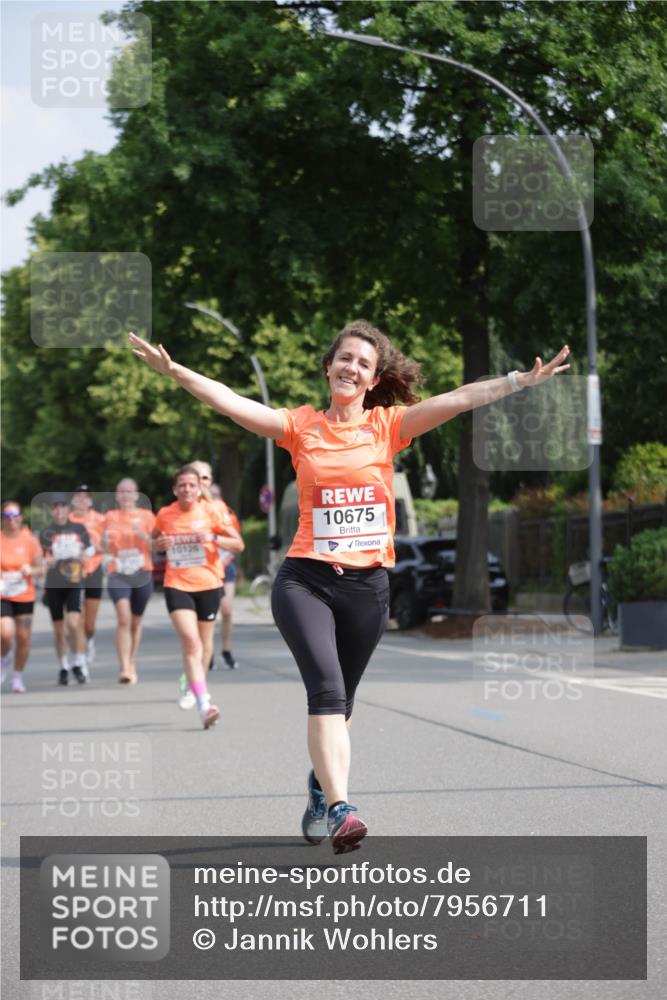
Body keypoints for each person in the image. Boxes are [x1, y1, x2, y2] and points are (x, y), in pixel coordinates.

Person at [130, 322, 570, 852]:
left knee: (343, 706)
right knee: (327, 693)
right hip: (305, 580)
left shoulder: (388, 426)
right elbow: (230, 401)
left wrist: (519, 381)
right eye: (344, 358)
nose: (351, 367)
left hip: (367, 588)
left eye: (363, 363)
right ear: (329, 366)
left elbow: (457, 399)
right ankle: (342, 809)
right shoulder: (299, 426)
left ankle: (320, 789)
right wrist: (174, 370)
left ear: (373, 377)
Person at [152, 464, 244, 728]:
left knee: (204, 645)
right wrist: (158, 545)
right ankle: (205, 704)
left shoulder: (213, 511)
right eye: (182, 485)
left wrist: (214, 538)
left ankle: (196, 687)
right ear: (175, 489)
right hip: (177, 584)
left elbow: (238, 544)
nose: (187, 489)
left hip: (208, 583)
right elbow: (150, 542)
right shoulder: (165, 514)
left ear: (199, 487)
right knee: (191, 641)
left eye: (192, 485)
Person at [102, 479, 155, 684]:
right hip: (119, 572)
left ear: (136, 495)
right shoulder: (110, 517)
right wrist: (105, 542)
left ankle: (132, 662)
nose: (125, 495)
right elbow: (101, 547)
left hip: (142, 572)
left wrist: (142, 534)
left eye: (129, 491)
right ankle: (124, 667)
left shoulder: (147, 516)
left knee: (135, 621)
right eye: (121, 492)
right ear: (116, 496)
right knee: (123, 618)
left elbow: (156, 545)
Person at [191, 462, 243, 671]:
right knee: (205, 615)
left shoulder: (224, 512)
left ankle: (226, 649)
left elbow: (236, 542)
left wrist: (220, 549)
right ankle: (206, 651)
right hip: (201, 567)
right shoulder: (188, 510)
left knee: (227, 610)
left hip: (225, 563)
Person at [39, 493, 93, 685]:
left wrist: (84, 555)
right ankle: (63, 665)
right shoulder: (46, 532)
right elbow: (40, 557)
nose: (59, 510)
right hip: (54, 583)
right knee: (59, 628)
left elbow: (90, 550)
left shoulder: (78, 528)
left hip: (74, 581)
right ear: (51, 510)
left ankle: (78, 661)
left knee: (73, 622)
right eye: (55, 507)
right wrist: (47, 561)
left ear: (68, 509)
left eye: (62, 506)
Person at [1, 502, 43, 693]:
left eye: (14, 515)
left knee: (24, 637)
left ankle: (17, 676)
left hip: (24, 594)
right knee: (6, 633)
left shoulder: (30, 540)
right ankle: (3, 659)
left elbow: (40, 569)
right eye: (6, 516)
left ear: (20, 517)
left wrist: (30, 569)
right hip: (3, 594)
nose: (11, 519)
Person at [69, 484, 105, 667]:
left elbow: (109, 544)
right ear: (73, 500)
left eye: (85, 497)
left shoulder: (100, 519)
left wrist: (92, 548)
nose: (82, 500)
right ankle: (79, 655)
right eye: (78, 496)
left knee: (89, 622)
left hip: (94, 569)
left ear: (90, 501)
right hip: (73, 571)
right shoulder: (67, 520)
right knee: (78, 617)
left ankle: (89, 640)